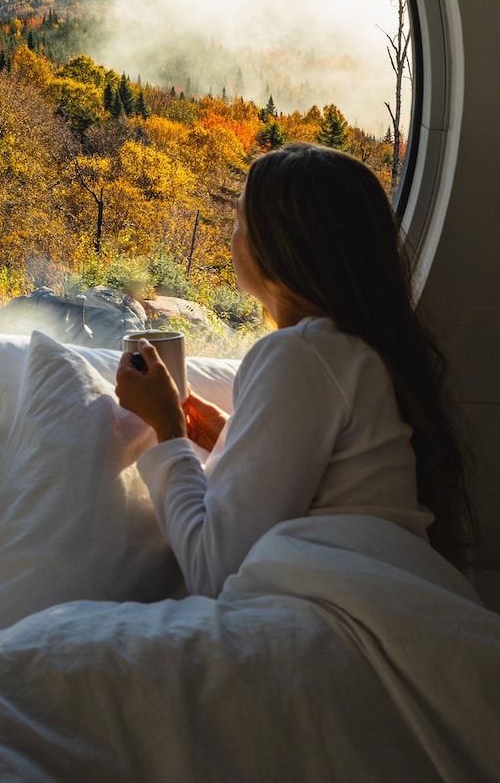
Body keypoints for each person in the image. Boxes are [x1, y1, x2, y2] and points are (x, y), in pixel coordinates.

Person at [115, 142, 476, 597]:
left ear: (277, 248)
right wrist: (231, 436)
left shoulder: (300, 355)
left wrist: (166, 429)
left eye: (239, 222)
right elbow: (329, 487)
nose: (231, 238)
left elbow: (213, 571)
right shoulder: (358, 349)